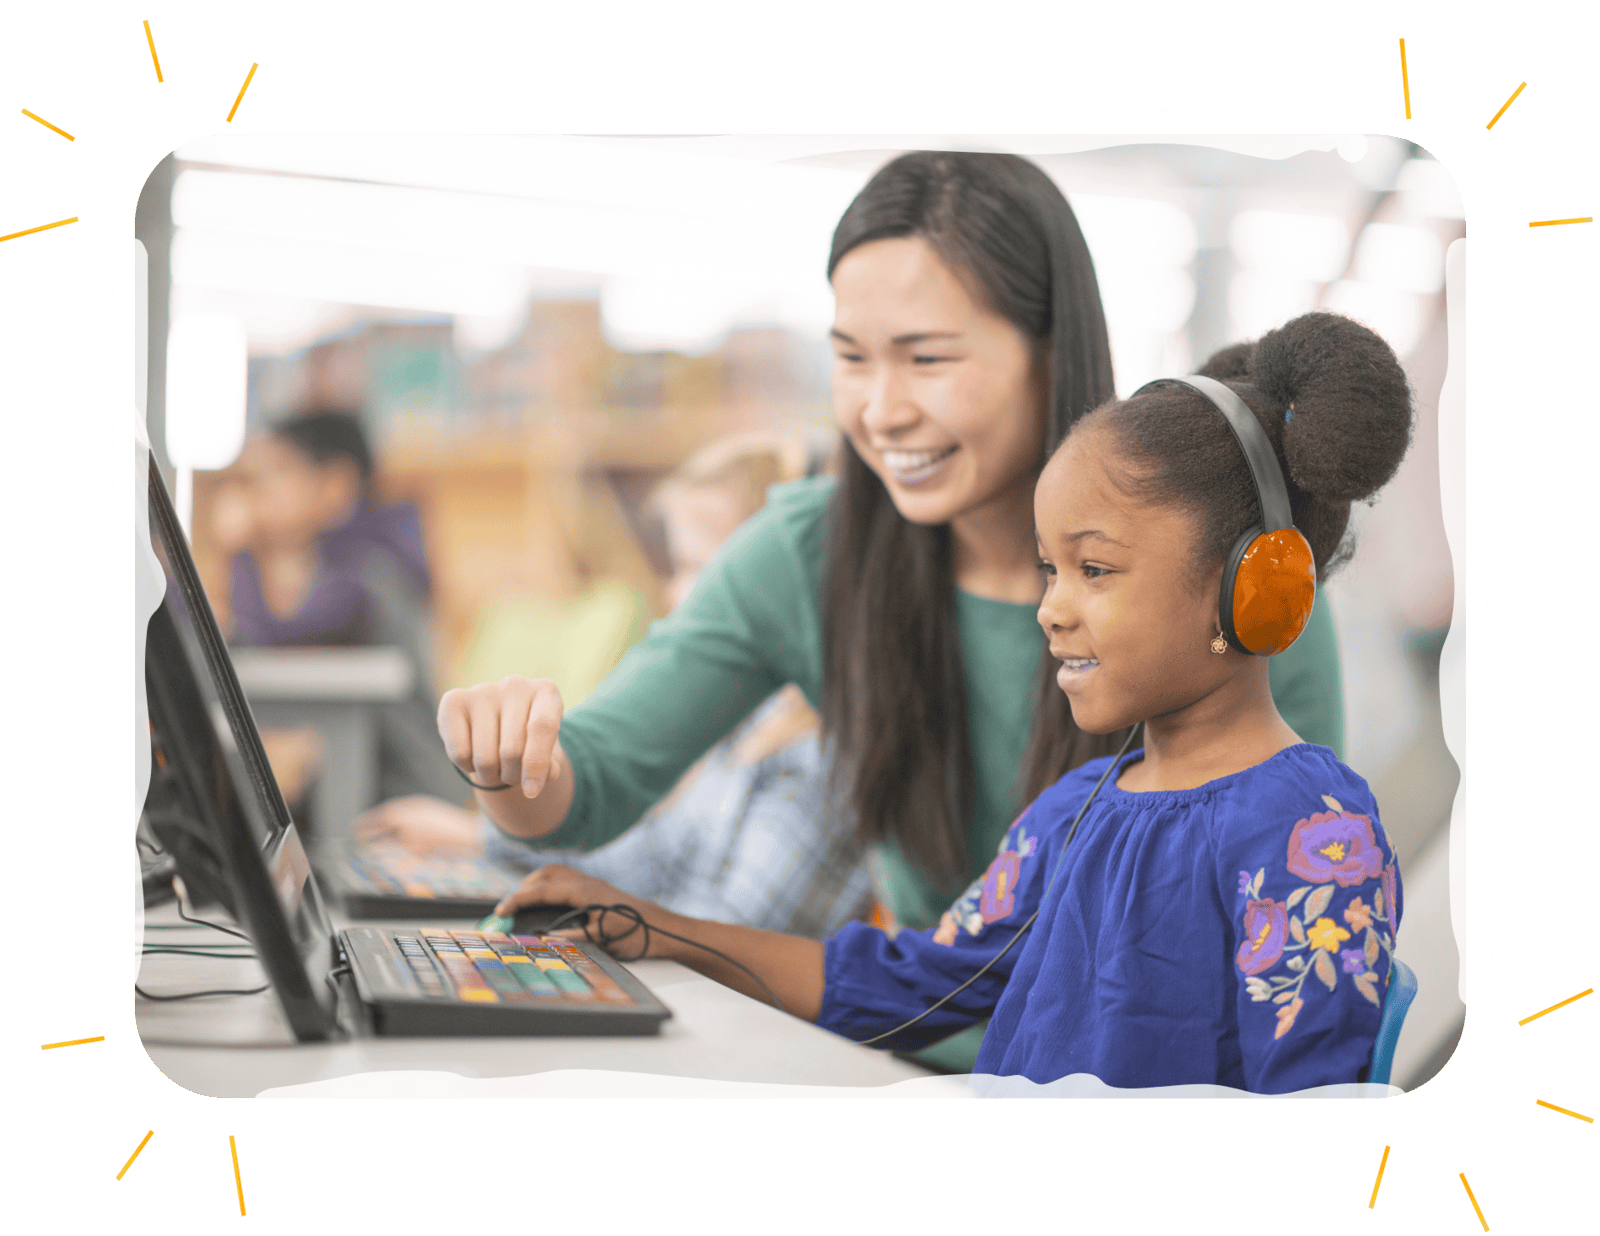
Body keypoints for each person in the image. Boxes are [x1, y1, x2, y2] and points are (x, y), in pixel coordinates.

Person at [436, 151, 1347, 1072]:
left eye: (927, 357)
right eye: (850, 358)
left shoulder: (1259, 670)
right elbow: (918, 980)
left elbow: (1304, 1058)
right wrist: (519, 767)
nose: (880, 410)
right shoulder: (1062, 801)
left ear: (1049, 347)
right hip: (909, 1072)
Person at [357, 433, 873, 940]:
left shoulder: (813, 753)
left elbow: (737, 936)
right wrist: (477, 838)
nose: (674, 595)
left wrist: (611, 919)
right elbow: (651, 858)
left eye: (697, 569)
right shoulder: (745, 727)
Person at [217, 410, 468, 815]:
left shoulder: (373, 572)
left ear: (336, 485)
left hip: (412, 795)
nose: (257, 492)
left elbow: (280, 635)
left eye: (279, 472)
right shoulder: (333, 563)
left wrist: (240, 555)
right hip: (360, 782)